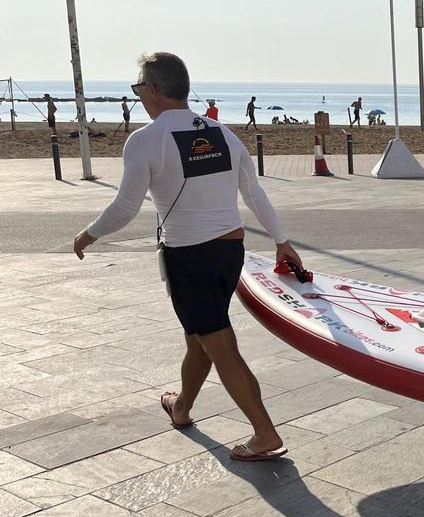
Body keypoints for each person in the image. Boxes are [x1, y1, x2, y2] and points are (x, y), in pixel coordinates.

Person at [72, 52, 303, 462]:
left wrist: (89, 235)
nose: (139, 94)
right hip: (230, 252)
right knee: (199, 337)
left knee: (219, 343)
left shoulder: (145, 140)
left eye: (138, 88)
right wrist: (281, 240)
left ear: (153, 90)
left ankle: (265, 434)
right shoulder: (222, 134)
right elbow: (253, 192)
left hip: (190, 260)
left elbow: (126, 208)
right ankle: (181, 408)